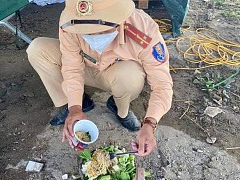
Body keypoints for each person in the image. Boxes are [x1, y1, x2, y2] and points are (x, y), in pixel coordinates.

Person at [27, 0, 173, 156]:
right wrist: (74, 108)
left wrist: (150, 124)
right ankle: (78, 102)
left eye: (99, 28)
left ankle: (120, 108)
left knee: (130, 76)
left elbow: (162, 84)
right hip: (85, 68)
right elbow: (72, 68)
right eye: (85, 29)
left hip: (116, 75)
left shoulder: (143, 29)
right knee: (38, 49)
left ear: (119, 16)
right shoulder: (70, 22)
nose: (92, 34)